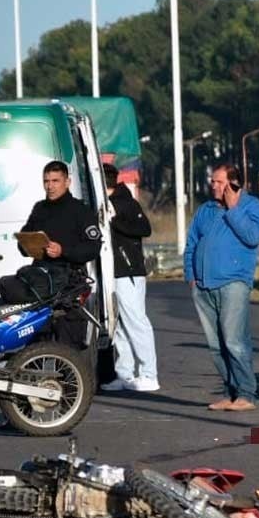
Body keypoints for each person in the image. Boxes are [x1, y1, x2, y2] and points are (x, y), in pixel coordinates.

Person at [183, 162, 259, 411]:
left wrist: (233, 209)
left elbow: (252, 237)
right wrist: (191, 275)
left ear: (233, 183)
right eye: (213, 181)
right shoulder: (206, 209)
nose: (214, 186)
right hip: (203, 285)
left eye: (219, 182)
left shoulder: (251, 206)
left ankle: (246, 393)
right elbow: (192, 242)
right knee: (215, 343)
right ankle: (230, 392)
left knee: (234, 340)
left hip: (233, 282)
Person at [0, 160, 101, 349]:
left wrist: (64, 251)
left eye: (55, 181)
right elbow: (24, 239)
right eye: (46, 181)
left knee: (69, 349)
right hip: (41, 284)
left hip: (68, 285)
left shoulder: (80, 210)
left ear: (67, 182)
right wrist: (28, 245)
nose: (50, 186)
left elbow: (93, 248)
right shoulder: (39, 208)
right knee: (36, 346)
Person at [98, 163, 159, 392]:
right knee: (118, 326)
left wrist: (115, 221)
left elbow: (144, 228)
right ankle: (124, 373)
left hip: (129, 271)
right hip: (111, 271)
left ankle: (148, 373)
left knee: (136, 321)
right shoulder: (103, 204)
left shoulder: (126, 203)